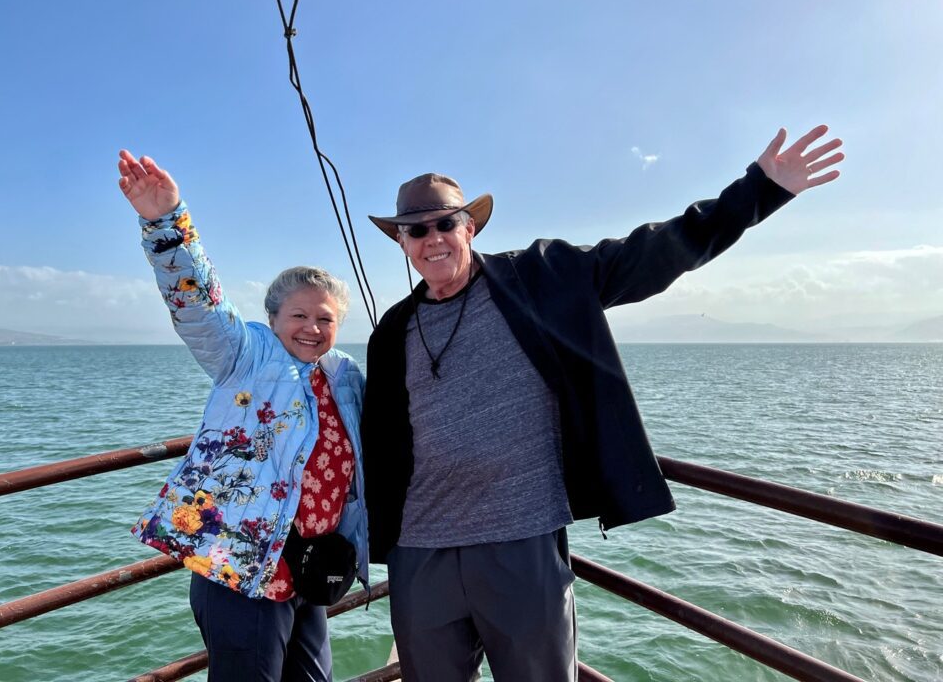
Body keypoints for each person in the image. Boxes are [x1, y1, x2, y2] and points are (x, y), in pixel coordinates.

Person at [359, 126, 844, 681]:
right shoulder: (391, 330)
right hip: (422, 552)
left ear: (469, 226)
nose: (432, 238)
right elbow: (381, 441)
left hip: (522, 541)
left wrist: (758, 191)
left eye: (445, 223)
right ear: (401, 243)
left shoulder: (542, 277)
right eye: (416, 230)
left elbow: (656, 251)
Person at [117, 150, 368, 682]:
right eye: (298, 315)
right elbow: (196, 304)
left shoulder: (343, 375)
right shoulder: (246, 354)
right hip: (240, 565)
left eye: (325, 318)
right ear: (271, 318)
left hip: (309, 567)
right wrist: (165, 221)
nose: (311, 327)